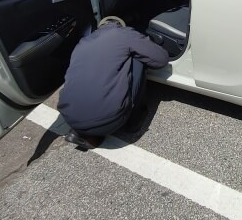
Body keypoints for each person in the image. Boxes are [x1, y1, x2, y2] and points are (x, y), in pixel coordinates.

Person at [58, 16, 169, 149]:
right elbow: (161, 59)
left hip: (69, 117)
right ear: (119, 25)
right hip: (109, 122)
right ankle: (134, 121)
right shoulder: (123, 34)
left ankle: (80, 131)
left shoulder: (83, 42)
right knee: (137, 60)